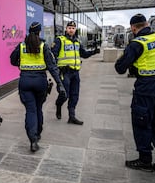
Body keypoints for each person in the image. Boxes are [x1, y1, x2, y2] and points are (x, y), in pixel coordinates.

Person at [115, 14, 155, 178]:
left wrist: (131, 60)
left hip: (147, 91)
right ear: (147, 24)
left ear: (133, 28)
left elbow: (119, 68)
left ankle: (145, 160)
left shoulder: (138, 43)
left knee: (142, 124)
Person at [10, 22, 66, 152]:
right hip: (40, 82)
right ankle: (38, 133)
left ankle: (32, 139)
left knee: (31, 110)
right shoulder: (43, 46)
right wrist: (59, 84)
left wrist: (20, 63)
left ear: (29, 32)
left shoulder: (22, 45)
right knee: (38, 108)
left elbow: (12, 60)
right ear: (39, 32)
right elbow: (52, 67)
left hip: (25, 81)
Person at [51, 20, 100, 125]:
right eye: (69, 28)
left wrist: (93, 52)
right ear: (66, 29)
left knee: (75, 95)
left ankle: (71, 116)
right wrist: (57, 70)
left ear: (75, 29)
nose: (71, 30)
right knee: (64, 94)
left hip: (75, 73)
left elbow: (84, 54)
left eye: (73, 28)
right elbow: (53, 56)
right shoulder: (60, 40)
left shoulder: (77, 41)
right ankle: (58, 104)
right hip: (65, 73)